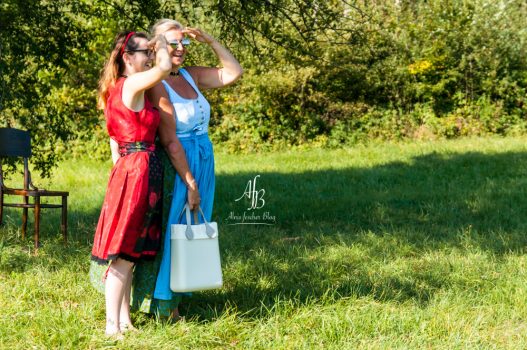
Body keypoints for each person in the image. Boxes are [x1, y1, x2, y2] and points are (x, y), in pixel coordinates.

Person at [131, 19, 243, 320]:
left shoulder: (190, 76)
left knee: (192, 228)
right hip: (178, 163)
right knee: (174, 228)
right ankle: (164, 306)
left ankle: (179, 292)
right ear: (157, 47)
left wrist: (210, 40)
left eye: (185, 42)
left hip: (203, 156)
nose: (180, 48)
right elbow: (169, 140)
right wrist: (189, 182)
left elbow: (233, 72)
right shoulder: (156, 83)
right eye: (173, 42)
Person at [90, 30, 171, 337]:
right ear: (127, 57)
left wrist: (122, 179)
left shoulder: (120, 88)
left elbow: (114, 143)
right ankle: (112, 327)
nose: (150, 56)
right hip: (137, 169)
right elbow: (164, 67)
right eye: (145, 51)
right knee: (123, 255)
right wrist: (161, 39)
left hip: (134, 169)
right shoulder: (132, 83)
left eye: (151, 51)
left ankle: (125, 320)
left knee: (130, 252)